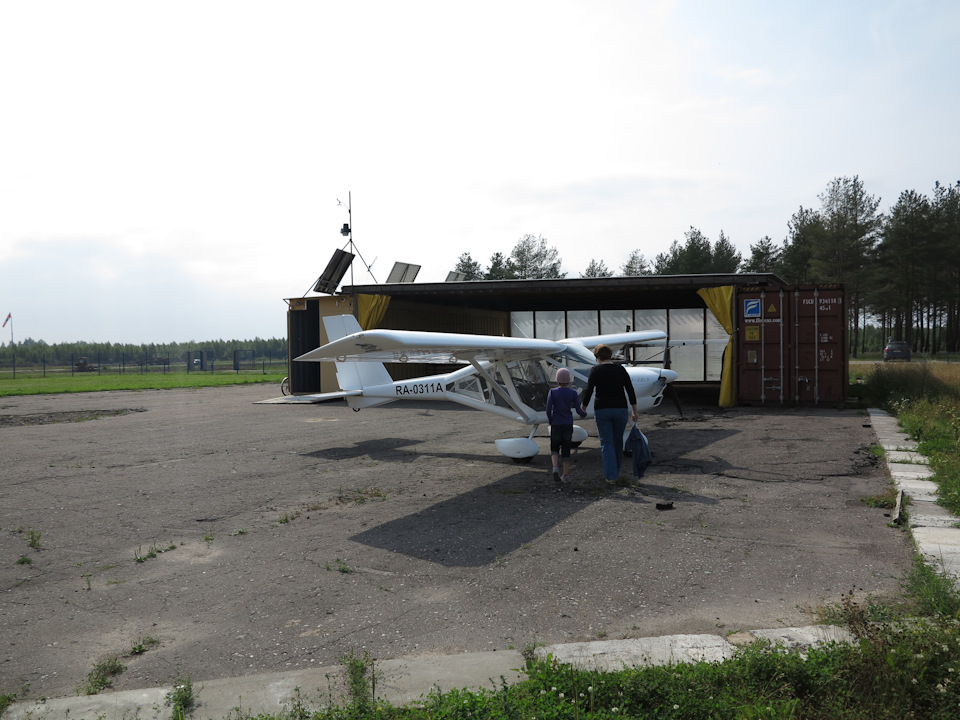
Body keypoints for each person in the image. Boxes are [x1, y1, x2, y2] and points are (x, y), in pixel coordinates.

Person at [580, 344, 638, 483]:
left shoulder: (595, 370)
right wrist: (635, 411)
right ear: (610, 356)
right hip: (620, 409)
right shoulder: (621, 369)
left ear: (597, 357)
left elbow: (589, 390)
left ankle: (611, 476)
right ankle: (616, 473)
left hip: (602, 409)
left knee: (607, 443)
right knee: (618, 442)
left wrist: (583, 407)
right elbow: (630, 390)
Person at [546, 367, 587, 482]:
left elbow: (548, 409)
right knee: (566, 449)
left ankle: (555, 468)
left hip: (556, 423)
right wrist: (584, 414)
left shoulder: (552, 392)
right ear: (569, 381)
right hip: (568, 423)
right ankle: (565, 475)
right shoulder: (573, 393)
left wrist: (551, 420)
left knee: (554, 447)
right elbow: (578, 410)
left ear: (557, 380)